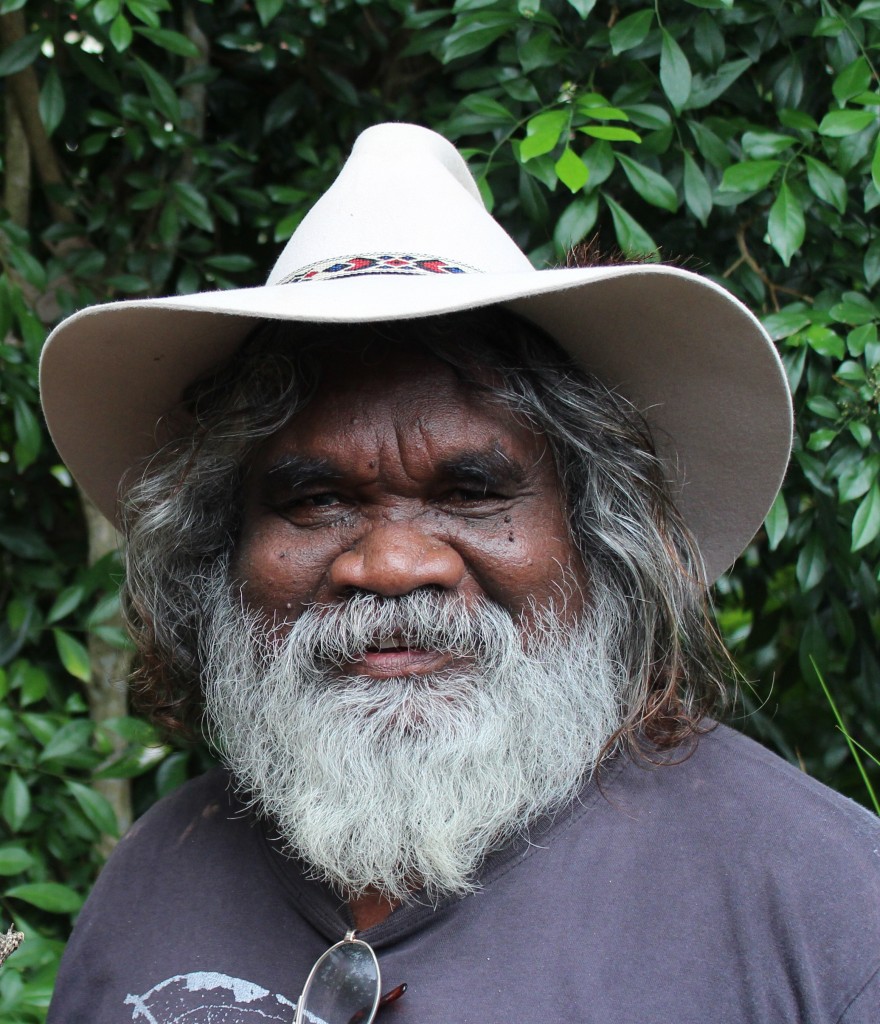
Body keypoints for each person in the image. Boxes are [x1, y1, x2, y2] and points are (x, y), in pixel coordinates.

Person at [40, 123, 879, 1024]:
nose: (393, 564)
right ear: (224, 555)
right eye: (314, 499)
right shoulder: (158, 867)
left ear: (599, 537)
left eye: (473, 491)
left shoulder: (827, 905)